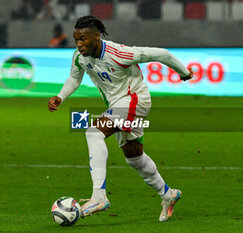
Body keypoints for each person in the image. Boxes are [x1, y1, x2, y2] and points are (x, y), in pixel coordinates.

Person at [48, 15, 193, 222]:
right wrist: (60, 97)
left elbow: (162, 54)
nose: (79, 44)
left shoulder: (119, 53)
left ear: (97, 36)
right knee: (135, 159)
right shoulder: (80, 57)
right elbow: (74, 78)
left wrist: (184, 73)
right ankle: (168, 194)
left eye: (84, 39)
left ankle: (99, 197)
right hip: (118, 106)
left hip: (135, 100)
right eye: (76, 39)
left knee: (94, 132)